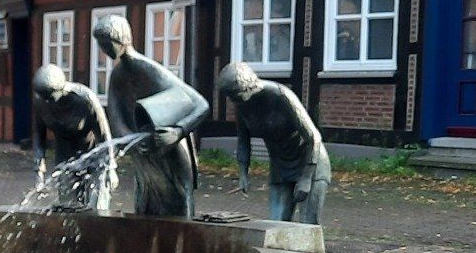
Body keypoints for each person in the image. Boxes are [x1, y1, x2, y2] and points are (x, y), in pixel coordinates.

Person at [100, 13, 209, 217]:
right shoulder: (117, 75)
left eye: (107, 43)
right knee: (146, 202)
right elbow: (115, 117)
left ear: (122, 39)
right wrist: (130, 139)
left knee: (179, 202)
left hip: (169, 146)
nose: (104, 49)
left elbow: (201, 105)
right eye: (101, 44)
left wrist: (177, 132)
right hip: (144, 149)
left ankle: (181, 238)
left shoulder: (148, 69)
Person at [216, 62, 332, 225]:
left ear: (248, 87)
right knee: (276, 224)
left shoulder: (281, 96)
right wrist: (243, 173)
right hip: (280, 166)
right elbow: (243, 140)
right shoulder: (242, 104)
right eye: (230, 96)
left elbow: (314, 137)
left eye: (235, 95)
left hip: (309, 162)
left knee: (308, 225)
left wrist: (306, 178)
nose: (232, 100)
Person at [30, 64, 114, 212]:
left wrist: (110, 168)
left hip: (93, 159)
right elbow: (38, 136)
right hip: (65, 160)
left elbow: (104, 135)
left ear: (60, 89)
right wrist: (39, 170)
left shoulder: (85, 99)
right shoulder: (40, 101)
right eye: (43, 97)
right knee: (68, 210)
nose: (46, 102)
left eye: (50, 97)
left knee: (97, 211)